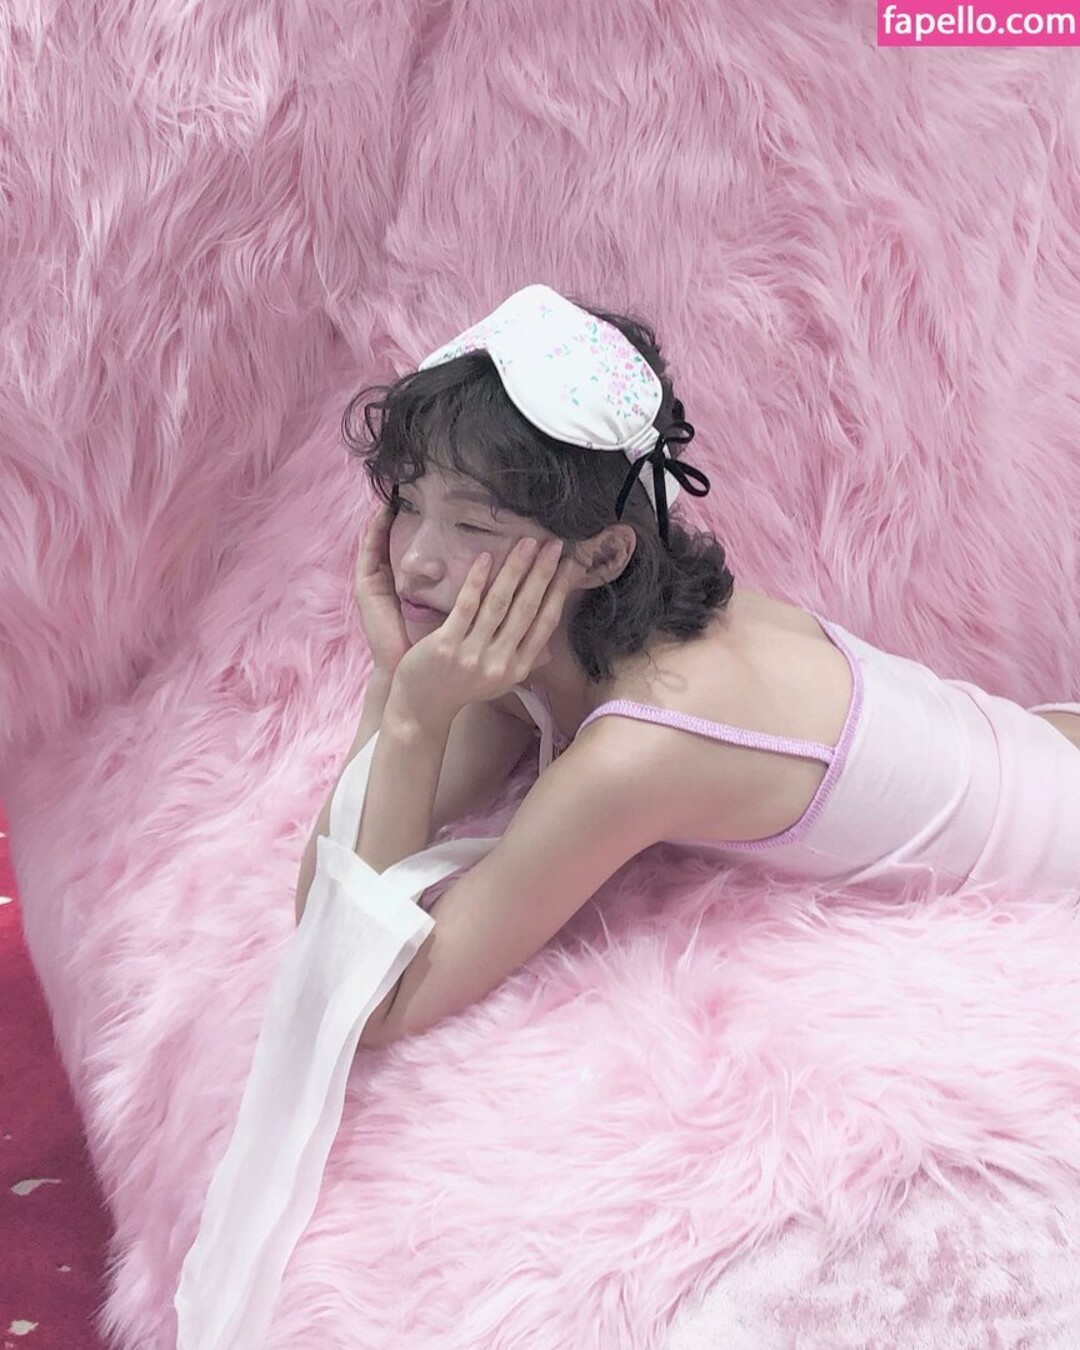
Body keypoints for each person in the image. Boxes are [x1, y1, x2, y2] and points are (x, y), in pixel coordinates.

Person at [297, 283, 1080, 1047]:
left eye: (472, 524)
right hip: (1042, 745)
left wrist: (409, 715)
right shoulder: (553, 646)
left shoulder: (643, 747)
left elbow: (365, 1001)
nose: (416, 561)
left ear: (602, 554)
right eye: (407, 504)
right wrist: (396, 685)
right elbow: (330, 908)